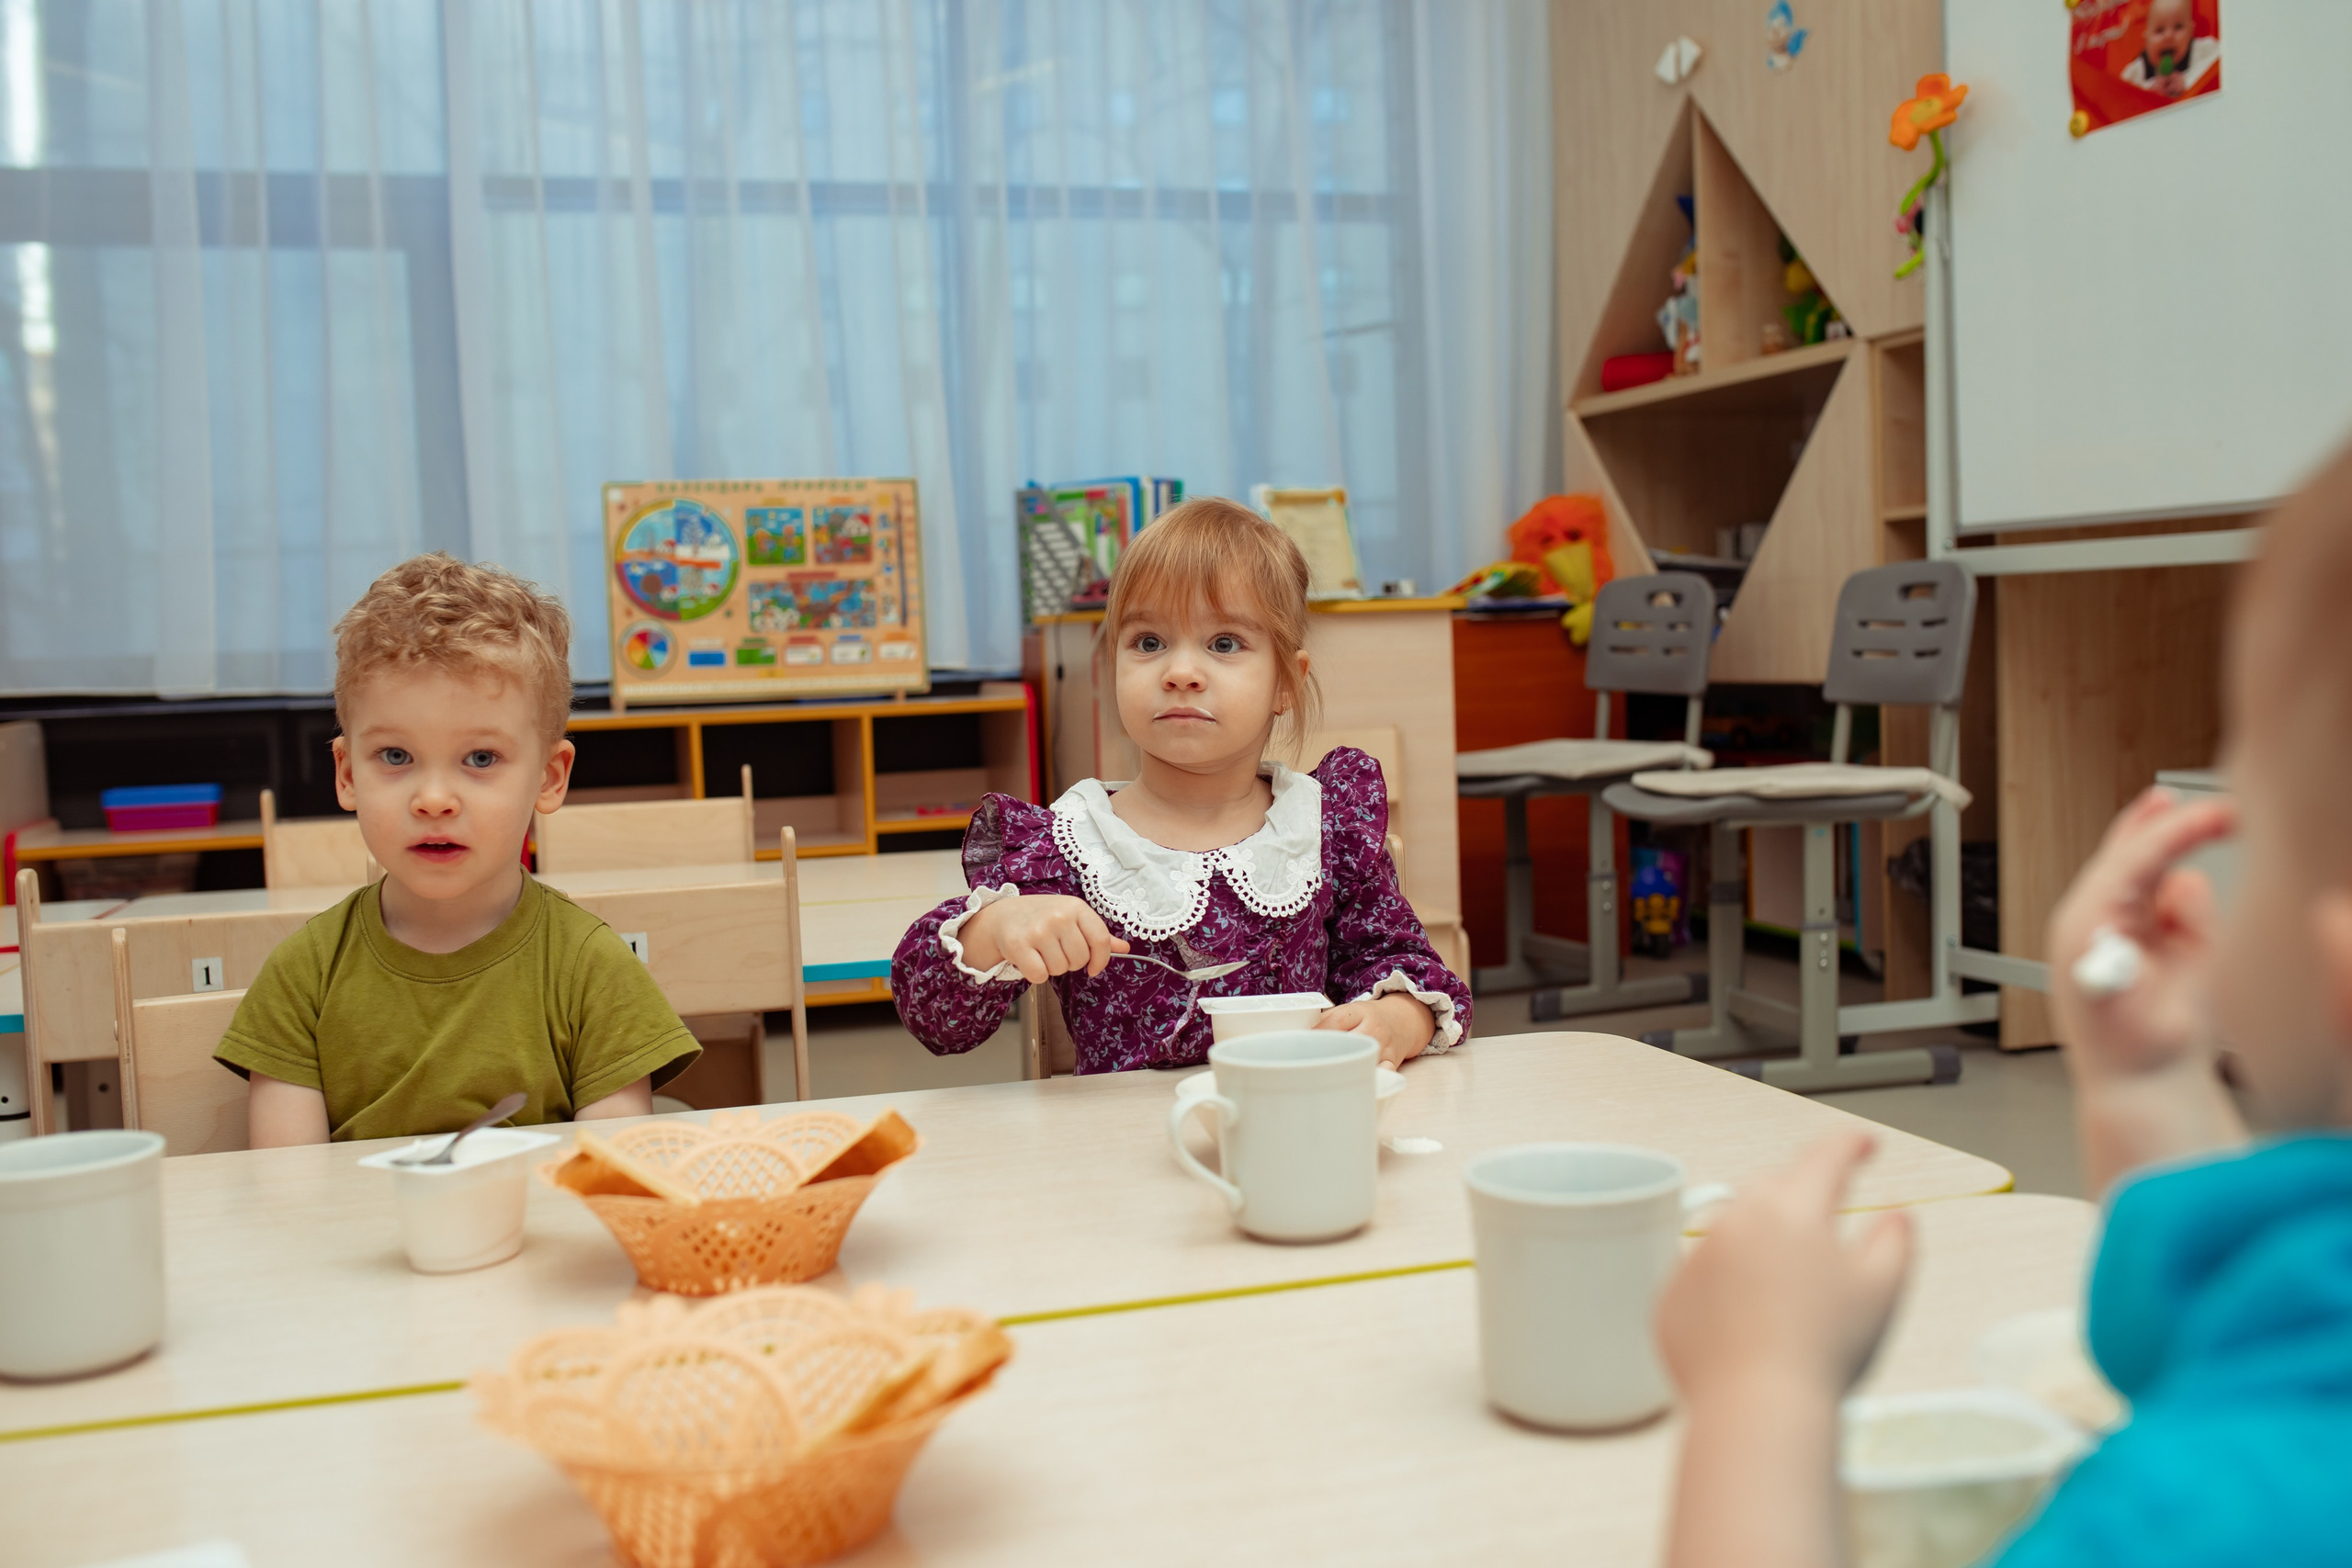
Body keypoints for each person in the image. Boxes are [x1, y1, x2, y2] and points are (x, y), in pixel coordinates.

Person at [1654, 444, 2352, 1566]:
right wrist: (2149, 1080)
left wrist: (1759, 1392)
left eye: (2245, 816)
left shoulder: (2201, 1508)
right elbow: (2201, 1331)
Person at [891, 497, 1469, 1073]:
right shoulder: (1069, 846)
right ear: (1112, 667)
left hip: (1293, 1127)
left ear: (1286, 685)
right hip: (1125, 1148)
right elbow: (936, 1021)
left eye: (1224, 644)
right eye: (1148, 643)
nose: (1180, 672)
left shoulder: (1324, 828)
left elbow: (1402, 962)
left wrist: (1398, 1018)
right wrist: (996, 929)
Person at [217, 554, 700, 1145]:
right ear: (346, 774)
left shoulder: (592, 970)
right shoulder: (302, 977)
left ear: (550, 777)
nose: (435, 799)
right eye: (396, 757)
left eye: (480, 759)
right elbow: (288, 1194)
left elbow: (611, 1179)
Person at [2120, 0, 2218, 100]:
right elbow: (2123, 94)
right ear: (2146, 40)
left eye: (2178, 27)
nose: (2168, 36)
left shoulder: (2203, 50)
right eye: (2159, 30)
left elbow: (2220, 66)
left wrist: (2188, 82)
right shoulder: (2137, 70)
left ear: (2191, 32)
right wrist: (2148, 91)